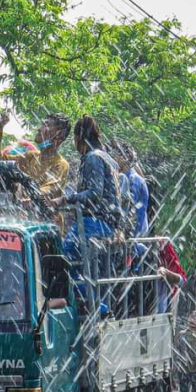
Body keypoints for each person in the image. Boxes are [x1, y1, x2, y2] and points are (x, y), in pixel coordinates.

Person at [52, 116, 123, 289]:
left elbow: (94, 193)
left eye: (75, 139)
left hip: (93, 222)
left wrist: (65, 199)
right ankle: (99, 306)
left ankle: (80, 302)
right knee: (92, 272)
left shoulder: (93, 157)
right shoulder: (108, 158)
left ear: (79, 137)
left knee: (65, 259)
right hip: (108, 223)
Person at [0, 111, 71, 202]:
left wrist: (31, 199)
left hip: (47, 215)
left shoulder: (61, 164)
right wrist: (0, 126)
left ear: (59, 134)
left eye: (46, 125)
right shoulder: (31, 157)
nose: (39, 129)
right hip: (28, 215)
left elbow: (49, 189)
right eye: (42, 124)